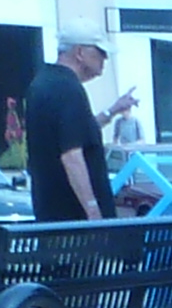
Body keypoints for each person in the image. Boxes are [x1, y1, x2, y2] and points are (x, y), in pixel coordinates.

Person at [20, 36, 114, 221]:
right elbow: (71, 155)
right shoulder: (68, 88)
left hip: (50, 212)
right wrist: (92, 209)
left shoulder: (42, 83)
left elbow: (78, 132)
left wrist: (113, 110)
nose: (105, 59)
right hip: (75, 216)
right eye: (100, 52)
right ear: (79, 52)